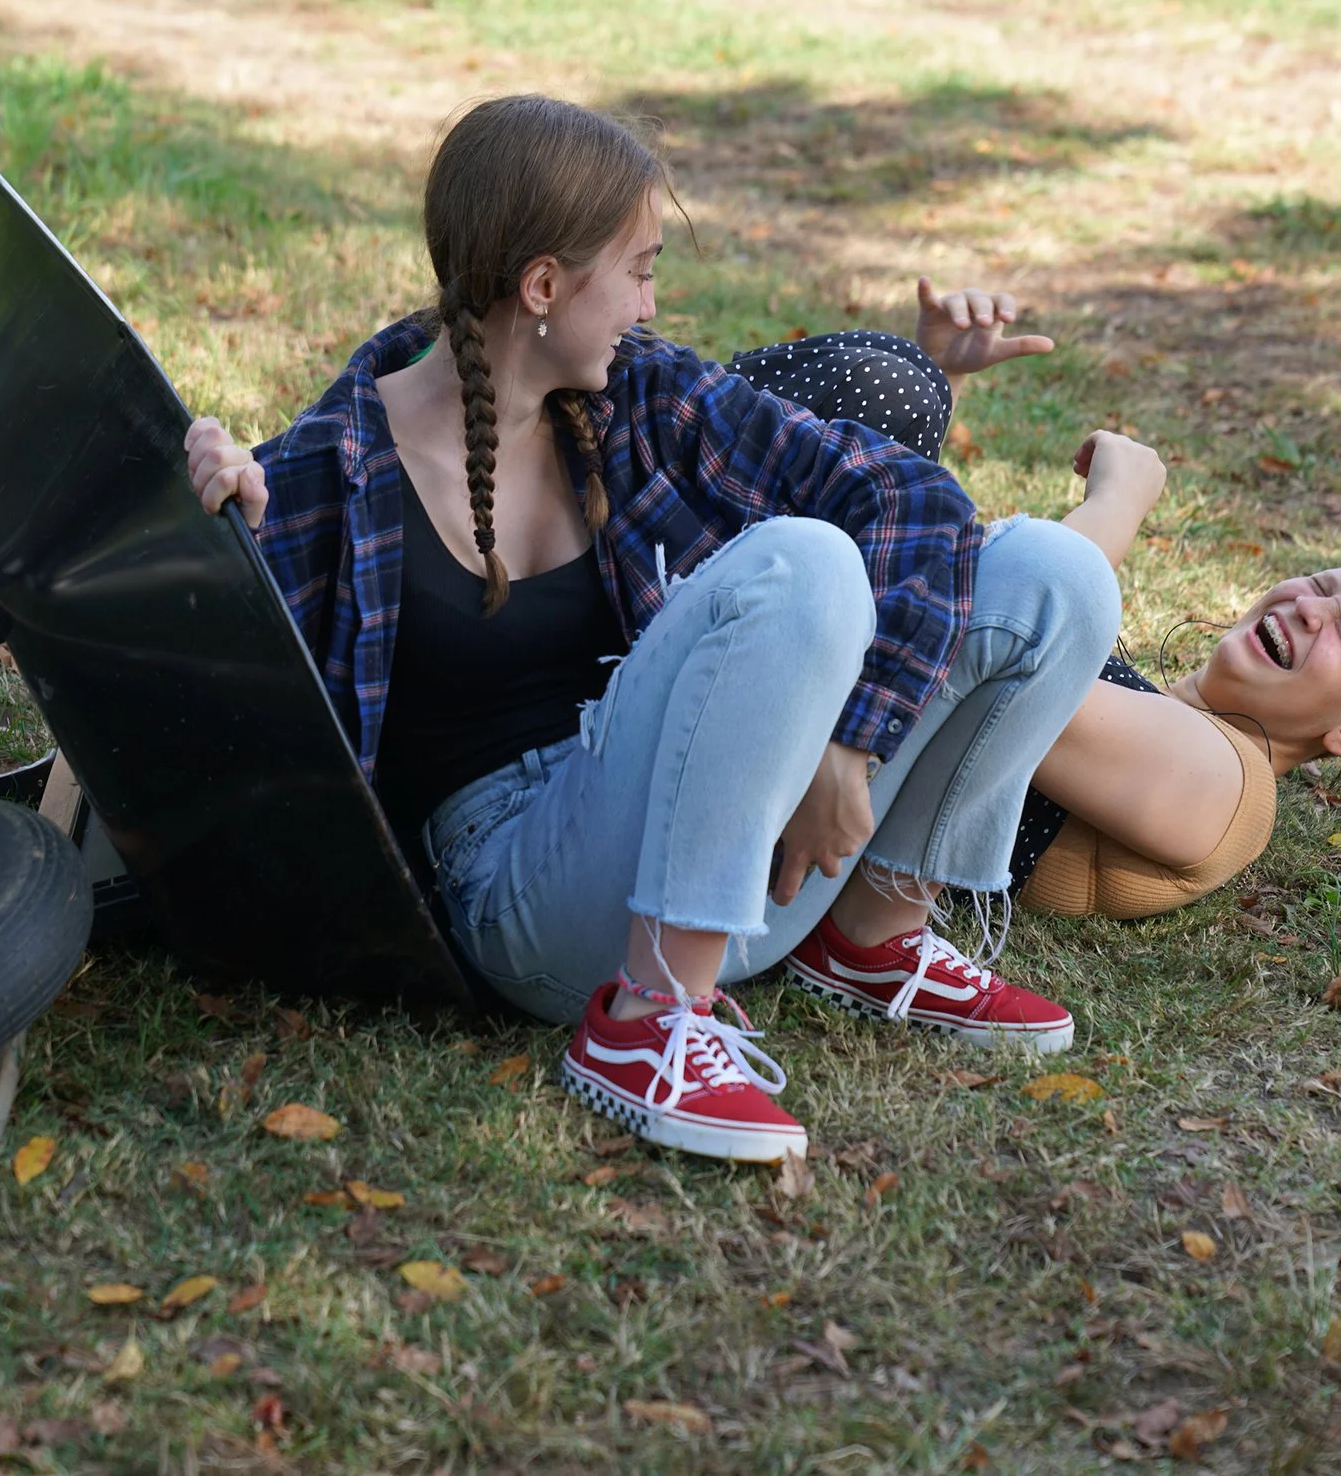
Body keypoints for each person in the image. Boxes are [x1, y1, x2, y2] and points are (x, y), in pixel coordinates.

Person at [184, 95, 1127, 1165]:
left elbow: (915, 502)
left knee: (1053, 574)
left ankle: (872, 933)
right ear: (543, 286)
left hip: (730, 855)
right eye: (637, 270)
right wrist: (206, 516)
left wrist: (850, 743)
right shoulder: (332, 467)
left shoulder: (642, 394)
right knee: (802, 561)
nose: (649, 302)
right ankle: (646, 1019)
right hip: (530, 897)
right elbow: (187, 688)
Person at [731, 324, 1341, 925]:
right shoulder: (1161, 714)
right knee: (906, 381)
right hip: (785, 692)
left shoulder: (1231, 794)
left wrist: (1118, 503)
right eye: (1324, 585)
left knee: (889, 390)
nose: (1309, 607)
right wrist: (947, 374)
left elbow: (998, 634)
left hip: (767, 788)